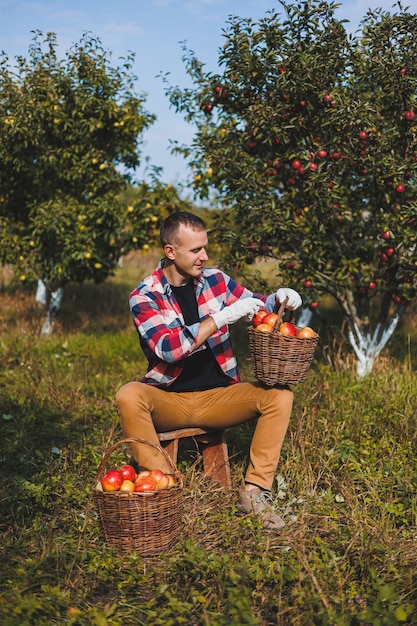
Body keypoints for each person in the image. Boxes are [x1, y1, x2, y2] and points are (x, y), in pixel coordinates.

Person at [116, 211, 302, 531]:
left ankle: (254, 492)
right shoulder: (144, 295)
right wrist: (219, 318)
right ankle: (166, 484)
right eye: (195, 250)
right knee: (128, 394)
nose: (204, 256)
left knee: (280, 396)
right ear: (170, 252)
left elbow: (258, 305)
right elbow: (169, 348)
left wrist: (279, 298)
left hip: (219, 397)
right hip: (169, 400)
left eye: (205, 247)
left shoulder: (216, 280)